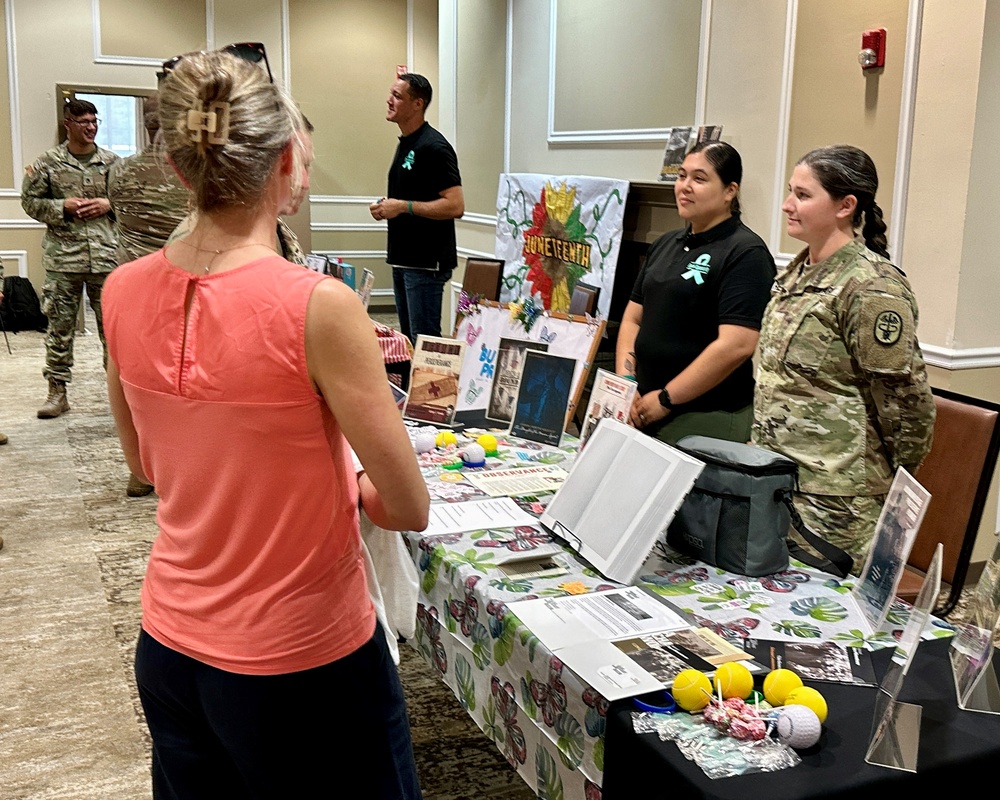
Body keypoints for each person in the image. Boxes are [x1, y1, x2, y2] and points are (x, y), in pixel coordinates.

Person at [102, 49, 429, 798]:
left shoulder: (120, 290)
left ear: (181, 170)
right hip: (302, 658)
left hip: (169, 644)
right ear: (286, 162)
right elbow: (406, 504)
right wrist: (346, 480)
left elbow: (147, 467)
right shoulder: (317, 304)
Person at [752, 144, 935, 569]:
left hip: (838, 504)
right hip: (779, 481)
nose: (787, 204)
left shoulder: (872, 288)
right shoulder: (795, 273)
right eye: (790, 192)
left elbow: (906, 405)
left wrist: (889, 481)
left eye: (802, 194)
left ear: (846, 205)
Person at [615, 141, 775, 444]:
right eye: (681, 176)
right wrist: (627, 381)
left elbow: (736, 345)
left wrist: (665, 399)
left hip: (705, 415)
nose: (685, 187)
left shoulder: (746, 252)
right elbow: (633, 320)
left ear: (730, 191)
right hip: (642, 405)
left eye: (699, 179)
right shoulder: (665, 243)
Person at [108, 92, 191, 498]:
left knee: (130, 380)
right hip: (184, 290)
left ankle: (139, 467)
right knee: (181, 383)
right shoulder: (195, 174)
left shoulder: (119, 172)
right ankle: (172, 465)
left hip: (132, 292)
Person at [21, 99, 119, 419]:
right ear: (68, 124)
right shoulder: (48, 163)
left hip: (107, 258)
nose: (91, 127)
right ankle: (57, 392)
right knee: (59, 329)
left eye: (95, 121)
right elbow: (30, 202)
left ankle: (120, 396)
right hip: (64, 258)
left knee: (115, 331)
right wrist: (61, 207)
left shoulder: (113, 162)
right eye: (83, 122)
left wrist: (109, 204)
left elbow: (129, 201)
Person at [370, 73, 464, 342]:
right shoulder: (407, 144)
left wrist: (402, 207)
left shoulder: (434, 147)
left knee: (424, 343)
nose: (389, 100)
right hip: (403, 259)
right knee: (409, 342)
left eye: (397, 96)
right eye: (391, 93)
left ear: (417, 104)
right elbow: (409, 199)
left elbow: (455, 205)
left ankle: (429, 387)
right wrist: (387, 207)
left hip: (425, 264)